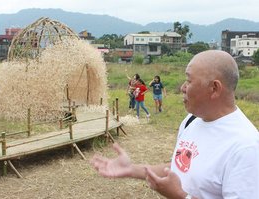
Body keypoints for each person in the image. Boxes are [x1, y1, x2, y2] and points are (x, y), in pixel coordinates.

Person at [91, 50, 259, 199]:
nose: (182, 87)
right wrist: (131, 170)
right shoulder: (192, 120)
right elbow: (181, 169)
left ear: (214, 88)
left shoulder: (246, 147)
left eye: (189, 81)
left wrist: (180, 196)